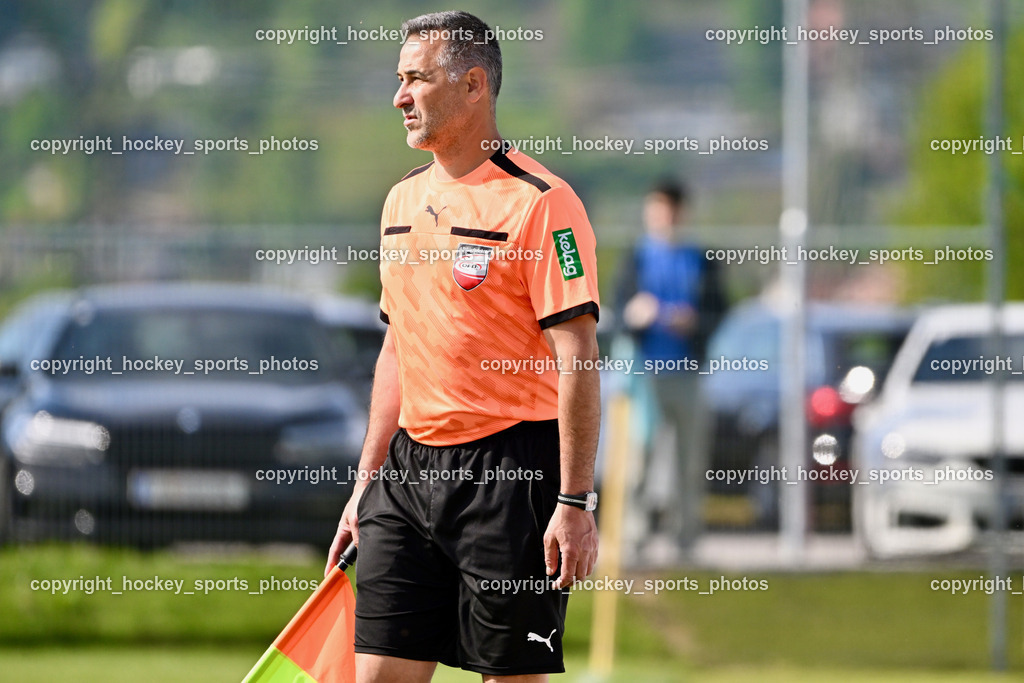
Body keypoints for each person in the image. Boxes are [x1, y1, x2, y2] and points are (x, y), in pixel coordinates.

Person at [325, 11, 601, 683]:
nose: (400, 96)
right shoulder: (398, 203)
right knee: (378, 675)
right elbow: (398, 349)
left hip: (510, 472)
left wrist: (573, 502)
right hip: (407, 473)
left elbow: (579, 357)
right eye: (399, 79)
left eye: (416, 79)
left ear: (474, 84)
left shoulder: (541, 203)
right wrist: (365, 483)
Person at [615, 180, 726, 560]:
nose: (665, 216)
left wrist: (694, 322)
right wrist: (636, 314)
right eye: (658, 208)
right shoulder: (637, 257)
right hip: (645, 375)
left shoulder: (701, 259)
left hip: (687, 374)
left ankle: (686, 541)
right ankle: (635, 538)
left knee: (689, 461)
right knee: (640, 455)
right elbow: (616, 310)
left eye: (672, 209)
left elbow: (719, 310)